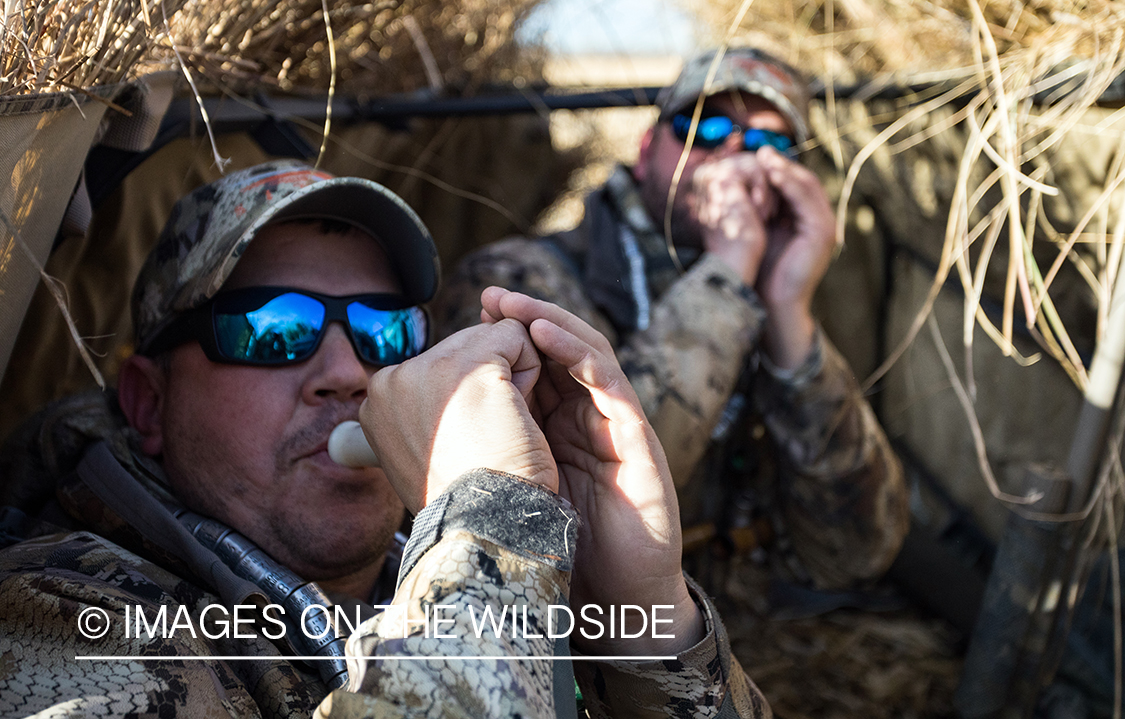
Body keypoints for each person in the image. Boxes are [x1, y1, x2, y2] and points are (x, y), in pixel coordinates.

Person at [0, 160, 769, 717]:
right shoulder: (63, 621)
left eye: (385, 329)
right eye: (275, 329)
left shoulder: (443, 572)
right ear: (148, 404)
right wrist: (490, 531)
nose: (347, 371)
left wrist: (646, 619)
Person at [432, 48, 909, 592]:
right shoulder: (522, 280)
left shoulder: (772, 288)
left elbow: (861, 549)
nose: (733, 152)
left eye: (768, 143)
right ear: (645, 149)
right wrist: (727, 268)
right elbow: (597, 522)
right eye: (703, 126)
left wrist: (786, 310)